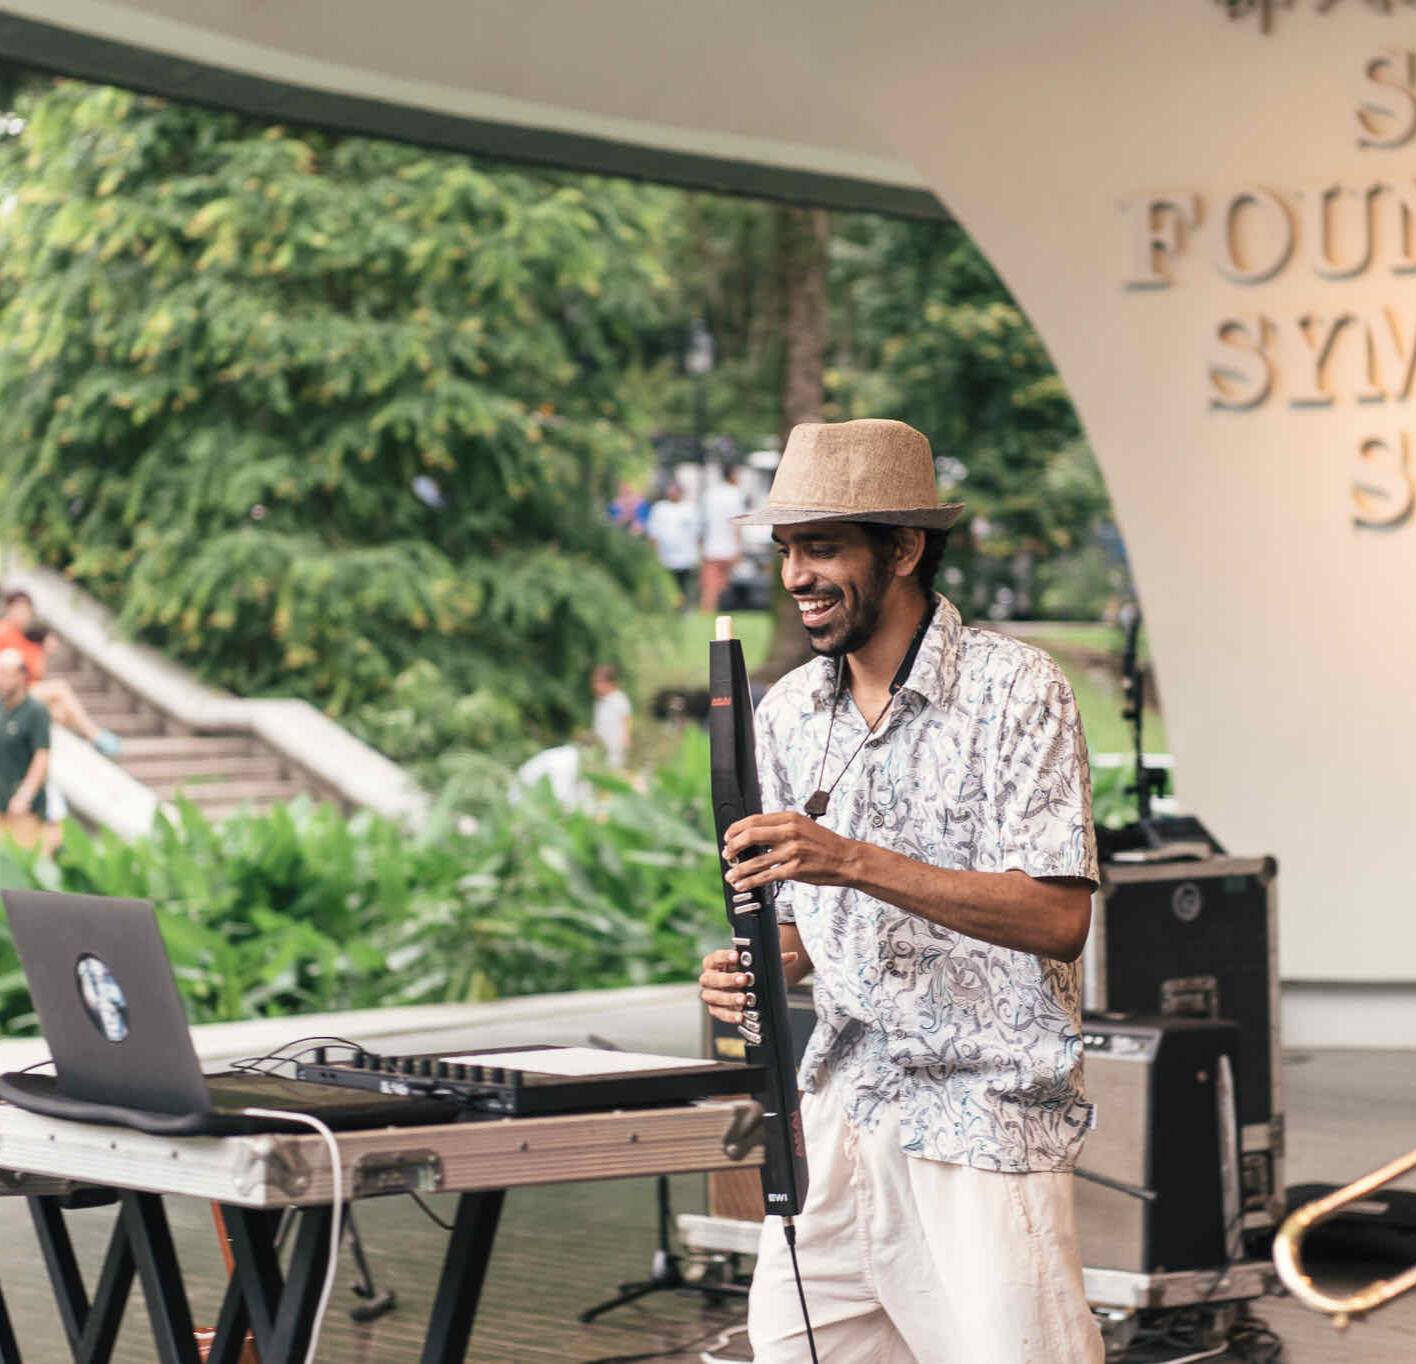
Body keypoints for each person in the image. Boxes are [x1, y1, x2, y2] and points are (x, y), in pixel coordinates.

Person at [698, 419, 1104, 1362]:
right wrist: (762, 968)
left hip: (984, 1121)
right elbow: (807, 933)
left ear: (907, 548)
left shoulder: (1019, 688)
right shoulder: (789, 710)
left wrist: (849, 858)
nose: (797, 574)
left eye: (825, 547)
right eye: (788, 549)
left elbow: (1058, 918)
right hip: (843, 1107)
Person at [0, 594, 121, 756]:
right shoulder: (4, 632)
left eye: (27, 611)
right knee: (59, 688)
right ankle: (95, 735)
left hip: (26, 692)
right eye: (20, 610)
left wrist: (43, 651)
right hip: (10, 695)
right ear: (9, 609)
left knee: (60, 712)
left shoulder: (26, 639)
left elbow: (37, 674)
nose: (24, 616)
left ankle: (85, 747)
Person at [0, 648, 51, 850]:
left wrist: (25, 795)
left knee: (20, 873)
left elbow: (42, 756)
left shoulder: (35, 711)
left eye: (5, 673)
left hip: (23, 810)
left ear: (21, 676)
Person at [698, 464, 745, 613]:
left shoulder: (710, 494)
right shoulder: (736, 494)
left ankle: (708, 609)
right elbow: (737, 524)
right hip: (729, 545)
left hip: (711, 545)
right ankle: (718, 608)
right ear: (732, 475)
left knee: (710, 583)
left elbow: (702, 522)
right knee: (723, 581)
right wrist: (739, 547)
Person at [644, 483, 700, 607]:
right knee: (668, 582)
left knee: (683, 582)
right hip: (665, 554)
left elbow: (697, 532)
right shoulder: (660, 508)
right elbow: (653, 531)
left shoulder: (690, 508)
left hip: (685, 553)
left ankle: (683, 606)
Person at [590, 663, 632, 771]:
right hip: (600, 748)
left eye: (599, 682)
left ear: (610, 683)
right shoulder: (600, 701)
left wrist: (624, 744)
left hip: (614, 749)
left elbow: (627, 720)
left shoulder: (619, 699)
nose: (595, 686)